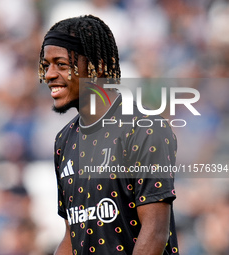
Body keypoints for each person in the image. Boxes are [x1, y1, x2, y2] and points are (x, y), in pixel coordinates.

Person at [38, 15, 179, 255]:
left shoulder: (144, 129)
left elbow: (155, 232)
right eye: (46, 65)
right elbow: (72, 237)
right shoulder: (63, 141)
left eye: (61, 64)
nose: (49, 75)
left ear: (99, 66)